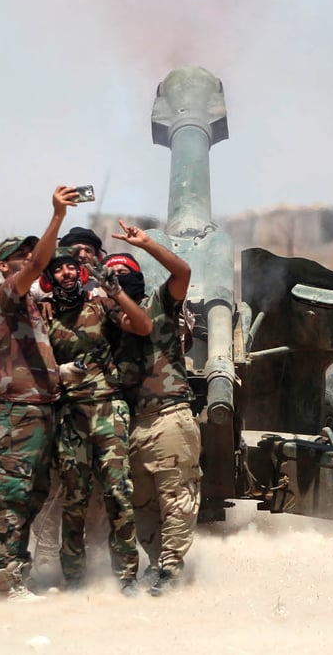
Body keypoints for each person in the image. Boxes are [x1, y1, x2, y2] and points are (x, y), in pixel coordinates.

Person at [0, 185, 79, 602]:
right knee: (13, 493)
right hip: (19, 412)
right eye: (20, 256)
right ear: (5, 266)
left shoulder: (30, 306)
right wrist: (57, 217)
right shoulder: (8, 294)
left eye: (28, 254)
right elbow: (42, 260)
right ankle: (4, 576)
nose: (28, 259)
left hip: (40, 409)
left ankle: (14, 572)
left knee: (33, 492)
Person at [42, 247, 152, 594]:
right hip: (71, 414)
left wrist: (115, 291)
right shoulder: (46, 315)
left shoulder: (100, 306)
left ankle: (126, 577)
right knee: (74, 498)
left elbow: (143, 325)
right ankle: (74, 577)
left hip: (108, 409)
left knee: (118, 493)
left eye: (72, 268)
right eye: (59, 270)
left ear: (82, 273)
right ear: (50, 278)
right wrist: (58, 373)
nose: (67, 274)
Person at [106, 219, 201, 596]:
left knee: (176, 499)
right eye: (108, 277)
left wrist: (146, 245)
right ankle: (157, 566)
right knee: (143, 506)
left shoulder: (159, 306)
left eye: (121, 277)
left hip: (169, 417)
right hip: (134, 425)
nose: (114, 283)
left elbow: (183, 272)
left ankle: (170, 571)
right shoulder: (109, 324)